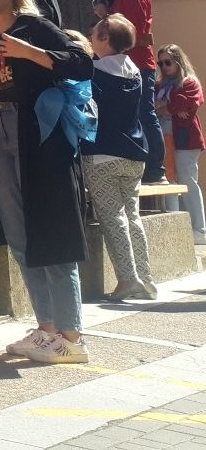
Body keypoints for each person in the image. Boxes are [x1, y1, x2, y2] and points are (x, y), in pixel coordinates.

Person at [0, 0, 93, 364]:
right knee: (19, 236)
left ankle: (71, 336)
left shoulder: (35, 27)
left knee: (53, 230)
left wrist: (30, 53)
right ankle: (47, 329)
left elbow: (81, 62)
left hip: (35, 136)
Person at [84, 18, 156, 300]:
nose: (90, 37)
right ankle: (146, 277)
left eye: (94, 32)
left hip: (103, 153)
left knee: (113, 217)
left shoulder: (94, 73)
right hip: (135, 153)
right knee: (132, 216)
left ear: (105, 38)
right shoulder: (135, 71)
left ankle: (127, 279)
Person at [89, 0, 163, 183]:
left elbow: (139, 38)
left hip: (137, 67)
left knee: (144, 115)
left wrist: (105, 18)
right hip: (127, 67)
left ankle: (156, 170)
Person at [155, 44, 205, 244]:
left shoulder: (189, 82)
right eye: (160, 63)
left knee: (188, 182)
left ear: (178, 61)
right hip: (163, 139)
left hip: (185, 139)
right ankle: (176, 231)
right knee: (169, 182)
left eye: (168, 62)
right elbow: (154, 107)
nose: (164, 66)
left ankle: (199, 230)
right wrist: (171, 107)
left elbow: (189, 104)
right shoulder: (158, 85)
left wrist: (167, 106)